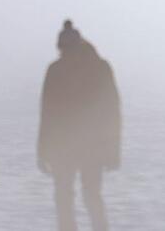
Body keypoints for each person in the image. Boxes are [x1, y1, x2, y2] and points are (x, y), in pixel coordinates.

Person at [38, 20, 122, 231]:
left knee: (73, 196)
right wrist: (113, 150)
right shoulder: (99, 68)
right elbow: (112, 111)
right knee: (83, 195)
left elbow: (48, 113)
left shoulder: (58, 70)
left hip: (74, 144)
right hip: (82, 145)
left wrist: (43, 149)